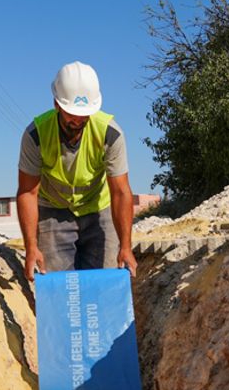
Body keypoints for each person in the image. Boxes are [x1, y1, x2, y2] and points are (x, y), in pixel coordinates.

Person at [17, 61, 138, 281]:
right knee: (61, 287)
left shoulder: (110, 133)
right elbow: (27, 192)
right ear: (56, 104)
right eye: (72, 114)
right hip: (53, 210)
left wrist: (126, 246)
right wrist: (31, 247)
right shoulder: (35, 135)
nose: (78, 120)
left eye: (84, 114)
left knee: (105, 283)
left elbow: (121, 192)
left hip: (98, 209)